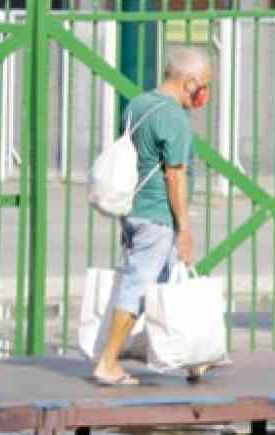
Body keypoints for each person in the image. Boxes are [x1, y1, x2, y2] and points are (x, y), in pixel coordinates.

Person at [90, 47, 218, 388]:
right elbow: (173, 175)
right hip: (157, 215)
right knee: (139, 284)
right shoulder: (173, 117)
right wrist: (185, 229)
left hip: (135, 211)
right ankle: (108, 362)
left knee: (166, 282)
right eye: (204, 85)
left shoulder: (139, 104)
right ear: (190, 82)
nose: (206, 93)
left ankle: (193, 358)